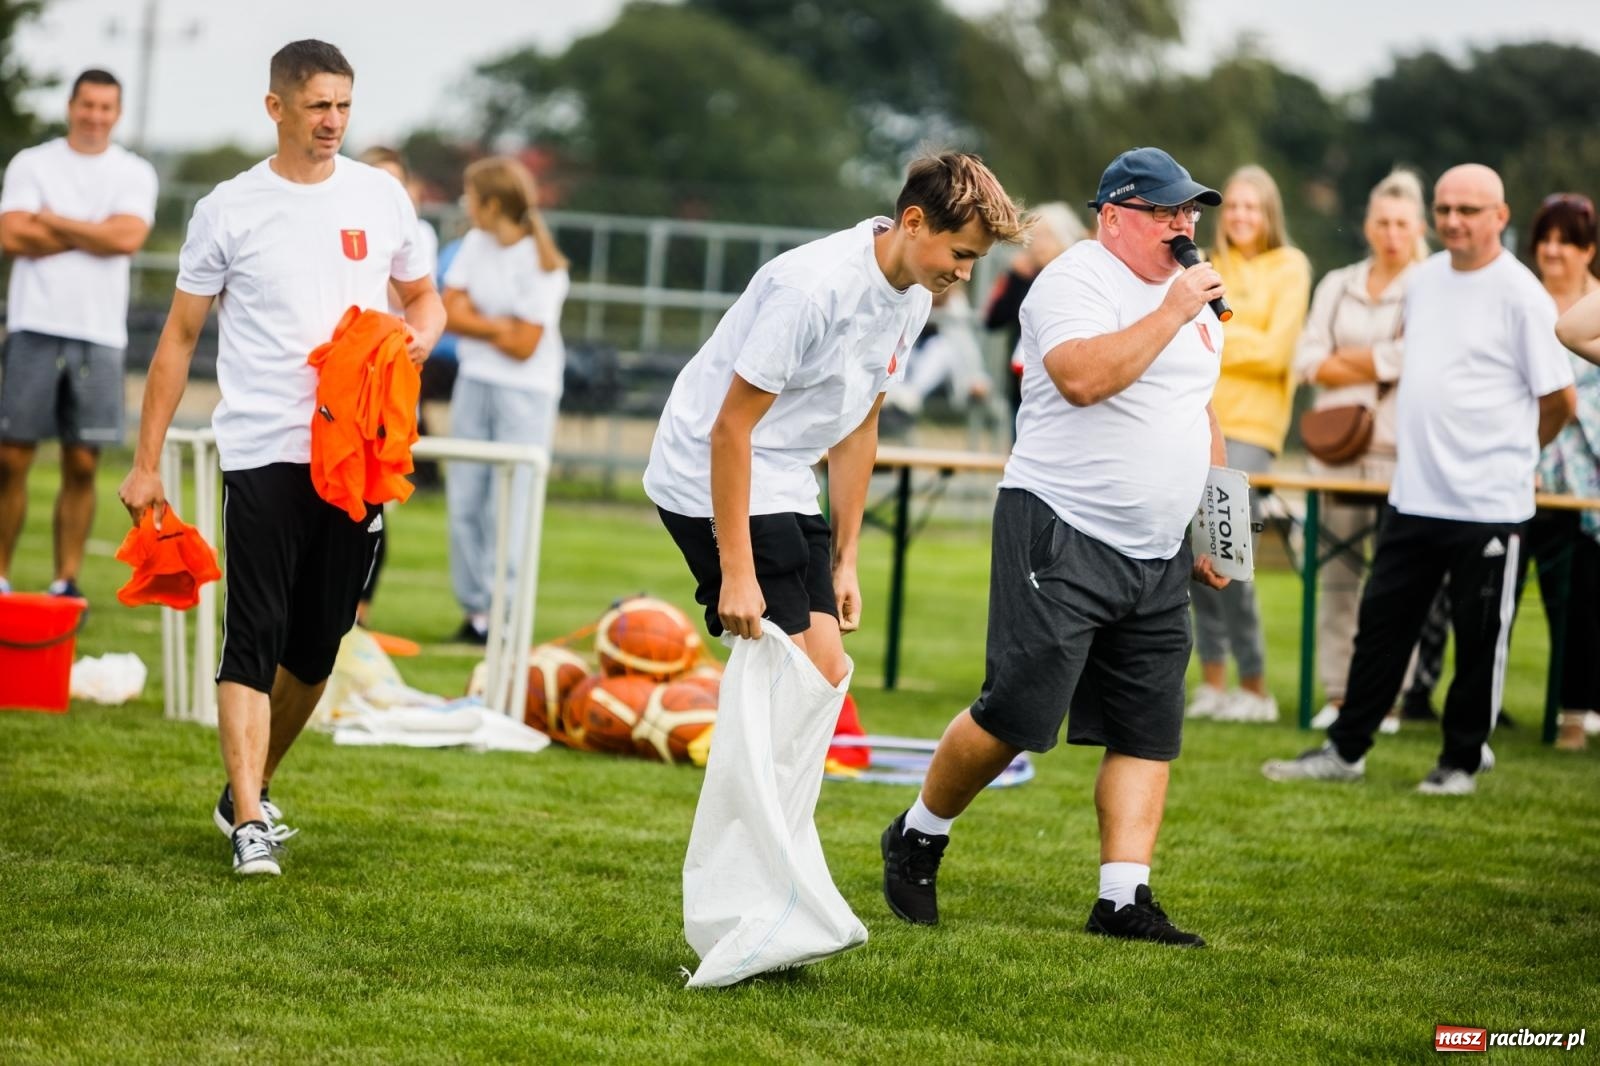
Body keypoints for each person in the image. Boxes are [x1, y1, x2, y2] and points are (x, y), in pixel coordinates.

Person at [646, 152, 1025, 973]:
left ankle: (770, 895)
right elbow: (727, 430)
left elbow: (860, 425)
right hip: (706, 472)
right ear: (913, 223)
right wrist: (736, 572)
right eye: (959, 254)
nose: (963, 274)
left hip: (784, 475)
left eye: (974, 263)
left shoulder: (915, 300)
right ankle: (746, 908)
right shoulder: (811, 286)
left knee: (823, 672)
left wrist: (847, 556)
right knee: (795, 674)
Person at [880, 147, 1230, 947]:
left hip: (1156, 551)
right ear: (1115, 217)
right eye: (1166, 212)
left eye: (1190, 213)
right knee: (1017, 713)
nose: (1185, 227)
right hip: (1061, 526)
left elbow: (1201, 414)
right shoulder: (1077, 279)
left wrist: (1215, 524)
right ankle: (920, 831)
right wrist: (1174, 309)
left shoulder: (1194, 301)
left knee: (1148, 726)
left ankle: (1122, 898)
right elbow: (1080, 376)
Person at [117, 40, 445, 875]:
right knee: (252, 636)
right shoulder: (229, 207)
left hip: (357, 455)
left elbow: (424, 296)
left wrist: (416, 343)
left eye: (343, 105)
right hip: (263, 448)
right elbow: (178, 339)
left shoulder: (381, 196)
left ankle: (246, 789)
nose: (333, 122)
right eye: (317, 107)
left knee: (319, 645)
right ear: (276, 108)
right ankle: (252, 822)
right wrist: (145, 462)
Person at [1263, 164, 1576, 795]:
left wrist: (1515, 454)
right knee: (1381, 631)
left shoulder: (1521, 294)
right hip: (1414, 494)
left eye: (1469, 209)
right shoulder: (1426, 282)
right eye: (1445, 208)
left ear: (1499, 217)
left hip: (1488, 504)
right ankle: (1345, 750)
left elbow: (1559, 400)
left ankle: (1460, 761)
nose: (1454, 220)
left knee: (1478, 641)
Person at [0, 69, 157, 600]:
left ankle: (65, 581)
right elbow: (12, 235)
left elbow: (128, 236)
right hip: (34, 325)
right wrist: (94, 231)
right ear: (71, 106)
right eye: (86, 104)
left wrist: (54, 221)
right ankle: (0, 577)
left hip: (99, 333)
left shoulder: (134, 172)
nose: (95, 115)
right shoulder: (33, 163)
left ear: (117, 112)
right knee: (11, 457)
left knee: (83, 460)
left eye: (105, 107)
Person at [1294, 170, 1429, 735]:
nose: (1391, 233)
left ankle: (1390, 699)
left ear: (1417, 227)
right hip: (1336, 449)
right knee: (1338, 578)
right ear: (1369, 225)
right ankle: (1338, 691)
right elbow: (1308, 362)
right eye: (1382, 221)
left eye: (1402, 223)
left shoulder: (1431, 284)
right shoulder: (1337, 283)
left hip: (1404, 452)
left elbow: (1421, 358)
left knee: (1398, 584)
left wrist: (1351, 359)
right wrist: (1381, 358)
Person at [1186, 165, 1311, 724]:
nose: (1239, 216)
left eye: (1251, 207)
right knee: (1197, 553)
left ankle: (1256, 687)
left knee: (1231, 549)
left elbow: (1277, 351)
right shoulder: (1203, 262)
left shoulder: (1291, 267)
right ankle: (1214, 682)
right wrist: (1235, 333)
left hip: (1254, 430)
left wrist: (1213, 332)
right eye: (1232, 205)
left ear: (1269, 214)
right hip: (1197, 417)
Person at [443, 156, 569, 644]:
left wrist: (483, 322)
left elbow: (526, 347)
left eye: (470, 198)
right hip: (473, 381)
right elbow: (449, 310)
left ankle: (506, 615)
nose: (466, 207)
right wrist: (502, 324)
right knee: (465, 501)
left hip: (526, 393)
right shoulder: (475, 245)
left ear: (491, 204)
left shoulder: (543, 265)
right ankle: (476, 615)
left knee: (510, 505)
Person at [353, 146, 443, 628]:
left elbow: (410, 295)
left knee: (377, 492)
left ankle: (361, 605)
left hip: (393, 369)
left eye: (393, 181)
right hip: (346, 372)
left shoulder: (414, 232)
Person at [1523, 193, 1600, 750]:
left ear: (1588, 250)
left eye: (1566, 240)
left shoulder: (1591, 308)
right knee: (1540, 594)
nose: (1552, 250)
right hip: (1531, 468)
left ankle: (1576, 712)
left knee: (1586, 601)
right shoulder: (1525, 301)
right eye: (1545, 239)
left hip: (1591, 474)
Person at [982, 202, 1089, 419]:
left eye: (1047, 235)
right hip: (1022, 386)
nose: (1038, 244)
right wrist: (1014, 278)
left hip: (1062, 386)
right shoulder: (1021, 276)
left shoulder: (1078, 278)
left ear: (1064, 239)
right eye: (1034, 236)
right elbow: (993, 319)